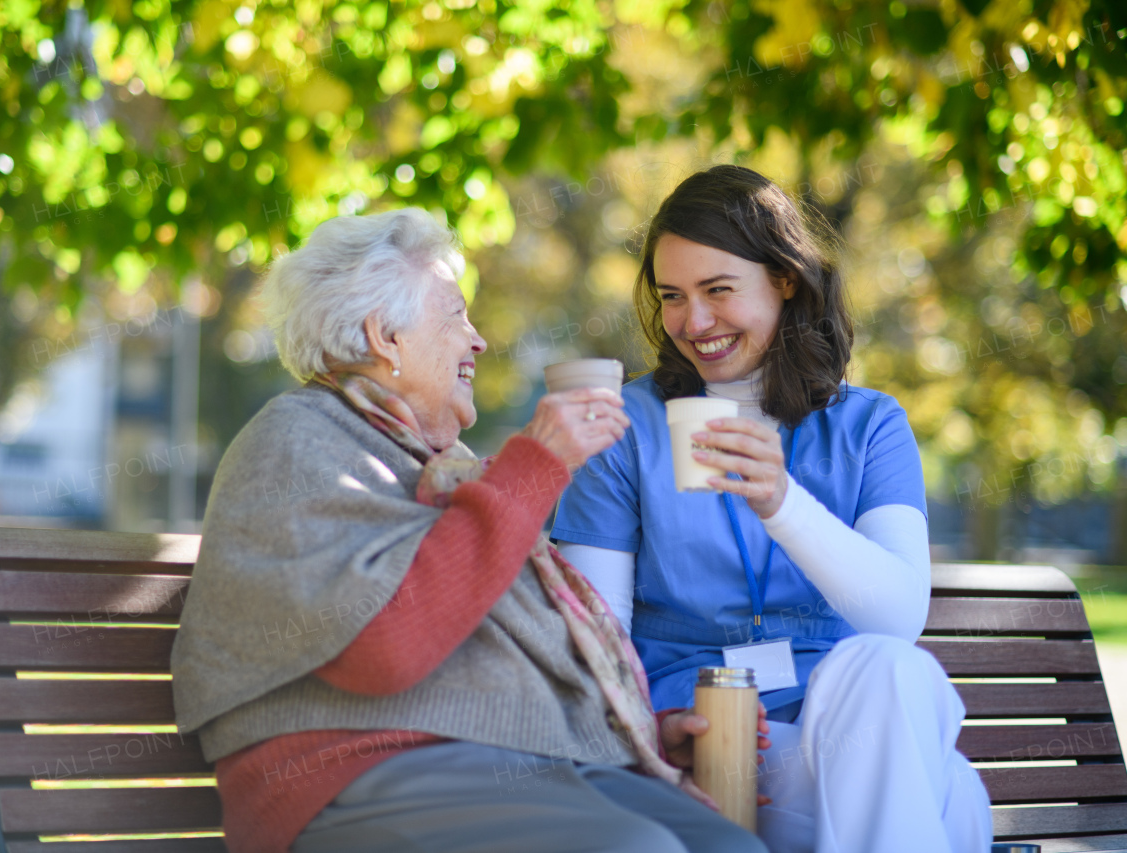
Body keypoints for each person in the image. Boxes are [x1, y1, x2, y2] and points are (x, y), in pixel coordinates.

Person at [170, 207, 770, 853]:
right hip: (354, 775)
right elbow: (386, 648)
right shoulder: (296, 441)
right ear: (385, 336)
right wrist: (535, 467)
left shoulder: (428, 465)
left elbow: (482, 663)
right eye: (455, 315)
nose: (477, 340)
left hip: (512, 767)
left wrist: (638, 734)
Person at [551, 165, 994, 853]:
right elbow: (597, 644)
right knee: (952, 796)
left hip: (853, 721)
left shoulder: (869, 426)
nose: (693, 323)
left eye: (718, 289)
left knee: (889, 668)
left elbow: (899, 619)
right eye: (673, 296)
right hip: (715, 743)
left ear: (785, 278)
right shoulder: (623, 430)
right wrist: (657, 733)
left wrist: (782, 504)